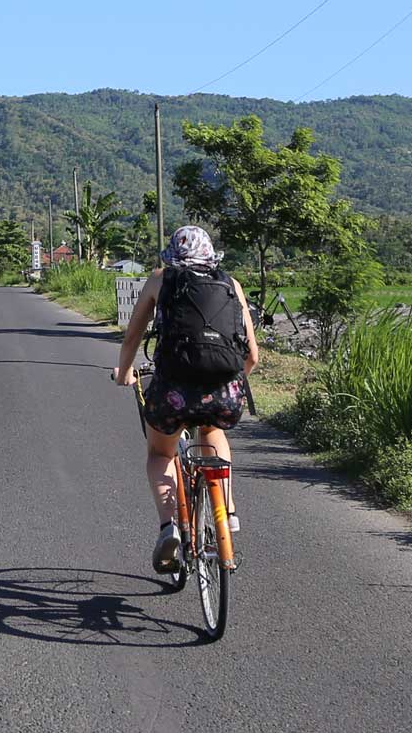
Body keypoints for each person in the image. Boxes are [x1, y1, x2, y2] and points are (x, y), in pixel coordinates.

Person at [112, 226, 258, 573]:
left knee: (161, 452)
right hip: (222, 388)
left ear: (172, 254)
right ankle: (228, 509)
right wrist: (229, 383)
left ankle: (169, 527)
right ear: (211, 254)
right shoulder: (230, 284)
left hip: (173, 388)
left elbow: (132, 335)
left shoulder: (160, 279)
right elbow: (251, 355)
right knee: (212, 431)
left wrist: (123, 373)